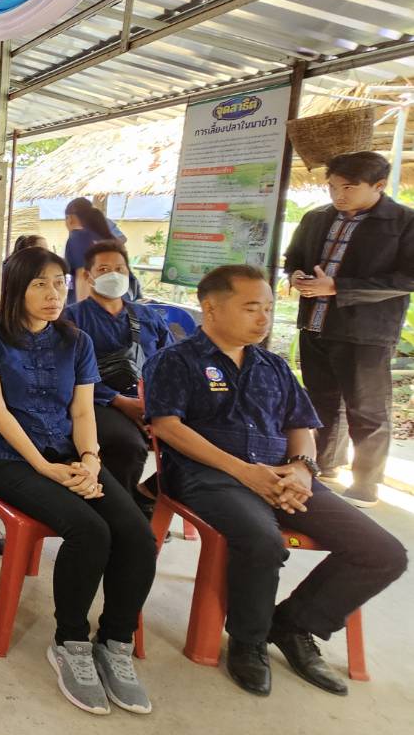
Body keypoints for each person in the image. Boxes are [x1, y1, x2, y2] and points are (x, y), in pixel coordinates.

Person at [145, 264, 406, 697]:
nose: (263, 318)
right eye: (251, 308)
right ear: (210, 309)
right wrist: (245, 472)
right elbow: (167, 427)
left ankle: (292, 624)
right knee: (262, 540)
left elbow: (300, 425)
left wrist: (301, 468)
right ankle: (248, 640)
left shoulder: (273, 366)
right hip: (209, 477)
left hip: (281, 474)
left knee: (383, 552)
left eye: (268, 308)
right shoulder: (176, 361)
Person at [0, 246, 156, 716]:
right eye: (40, 284)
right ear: (16, 288)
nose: (53, 294)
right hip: (7, 458)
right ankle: (71, 642)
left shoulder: (76, 341)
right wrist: (44, 467)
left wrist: (89, 460)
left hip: (69, 453)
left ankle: (115, 641)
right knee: (90, 531)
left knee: (137, 534)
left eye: (59, 283)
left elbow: (83, 411)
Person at [284, 151, 414, 506]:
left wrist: (338, 287)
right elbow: (293, 259)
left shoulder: (404, 222)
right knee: (320, 401)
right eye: (332, 187)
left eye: (348, 187)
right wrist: (295, 276)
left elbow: (408, 278)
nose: (338, 195)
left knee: (367, 409)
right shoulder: (316, 217)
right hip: (315, 324)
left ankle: (366, 484)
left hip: (366, 331)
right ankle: (325, 465)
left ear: (379, 185)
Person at [65, 240, 172, 519]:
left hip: (148, 400)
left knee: (201, 440)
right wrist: (120, 401)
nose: (113, 275)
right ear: (88, 276)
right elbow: (67, 371)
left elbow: (170, 363)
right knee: (128, 445)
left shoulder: (148, 317)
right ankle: (119, 514)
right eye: (103, 269)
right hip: (97, 401)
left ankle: (145, 494)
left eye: (119, 269)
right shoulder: (73, 317)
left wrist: (157, 405)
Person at [63, 198, 122, 304]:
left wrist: (83, 310)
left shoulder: (78, 237)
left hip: (92, 304)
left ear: (70, 218)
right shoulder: (105, 237)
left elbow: (83, 276)